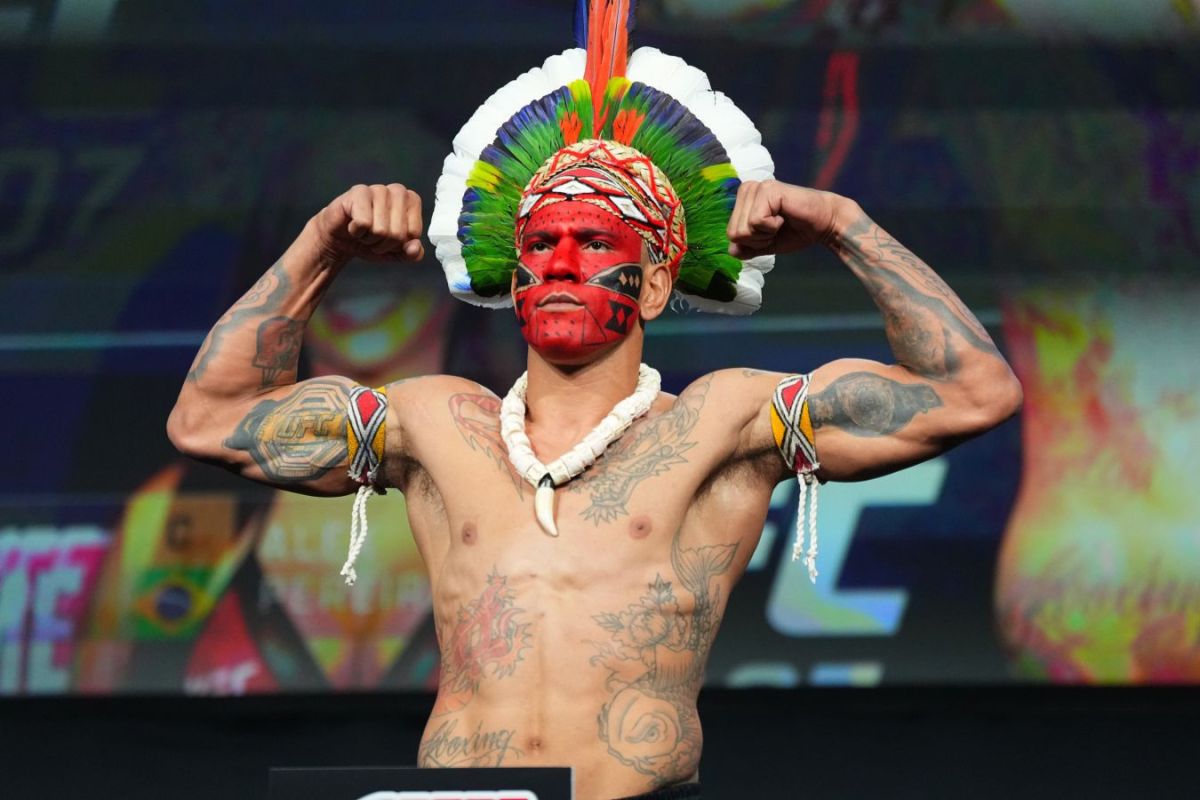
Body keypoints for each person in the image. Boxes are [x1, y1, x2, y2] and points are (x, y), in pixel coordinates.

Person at [167, 3, 1021, 797]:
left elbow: (971, 393)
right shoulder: (437, 424)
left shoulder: (721, 425)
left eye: (594, 242)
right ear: (513, 274)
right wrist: (322, 245)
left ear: (653, 285)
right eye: (540, 242)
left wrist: (842, 225)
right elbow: (207, 420)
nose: (562, 265)